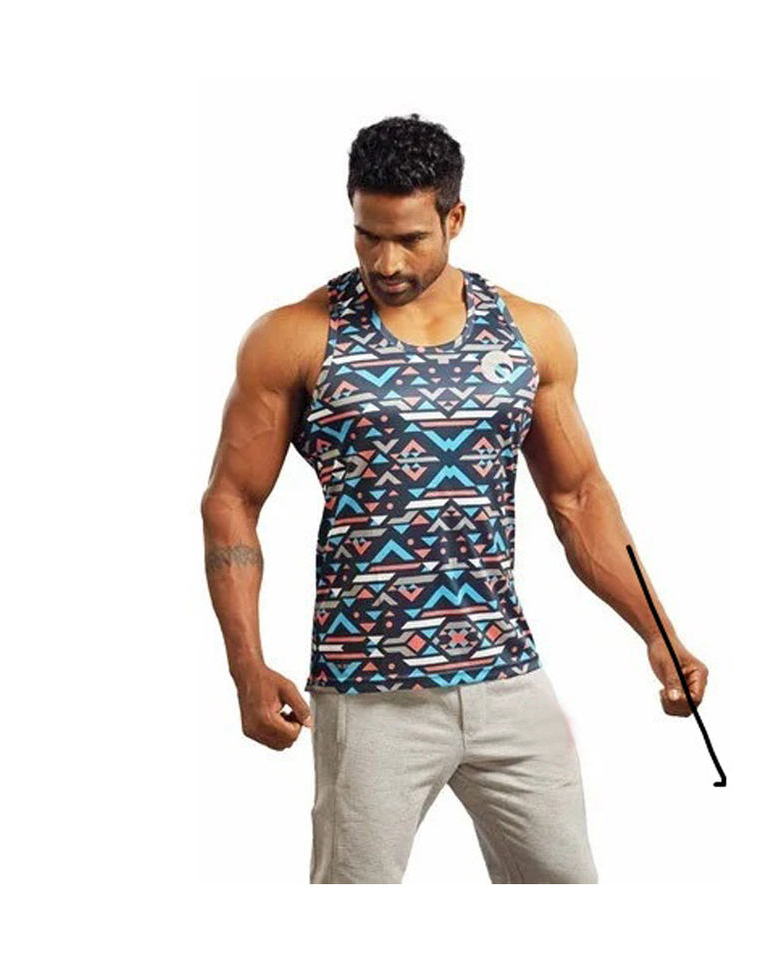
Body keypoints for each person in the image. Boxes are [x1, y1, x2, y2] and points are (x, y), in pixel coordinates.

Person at [200, 112, 709, 884]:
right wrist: (246, 666)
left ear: (455, 218)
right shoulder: (297, 336)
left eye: (410, 238)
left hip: (508, 678)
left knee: (569, 892)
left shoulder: (528, 333)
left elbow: (578, 498)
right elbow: (231, 500)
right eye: (368, 235)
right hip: (370, 692)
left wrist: (659, 633)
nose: (386, 260)